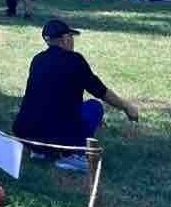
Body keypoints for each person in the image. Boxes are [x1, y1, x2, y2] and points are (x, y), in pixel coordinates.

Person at [13, 19, 139, 171]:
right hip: (58, 136)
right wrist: (126, 106)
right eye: (72, 37)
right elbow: (100, 91)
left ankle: (40, 152)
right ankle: (73, 155)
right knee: (94, 107)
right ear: (65, 39)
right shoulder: (75, 60)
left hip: (25, 133)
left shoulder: (37, 59)